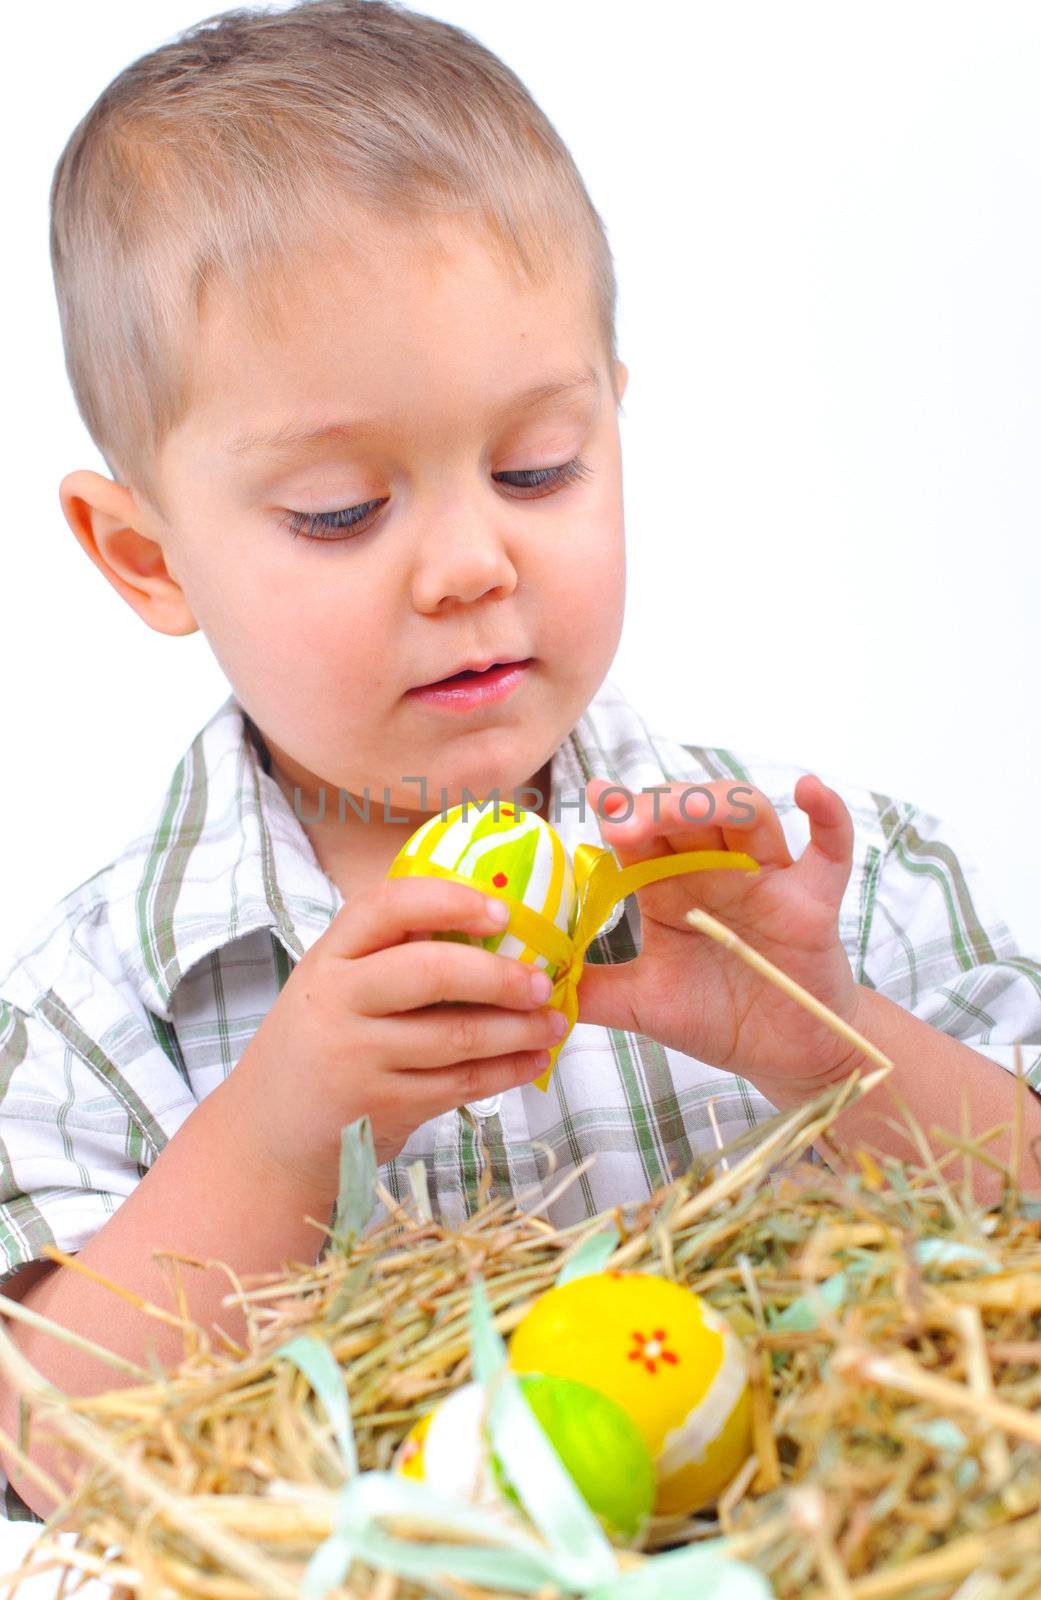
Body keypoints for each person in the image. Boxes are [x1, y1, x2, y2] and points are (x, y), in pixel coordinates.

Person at [1, 0, 1039, 1525]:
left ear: (612, 423)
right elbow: (44, 1455)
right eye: (344, 509)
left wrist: (830, 1041)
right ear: (145, 556)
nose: (470, 563)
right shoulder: (101, 1007)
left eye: (536, 468)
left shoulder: (829, 878)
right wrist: (282, 1125)